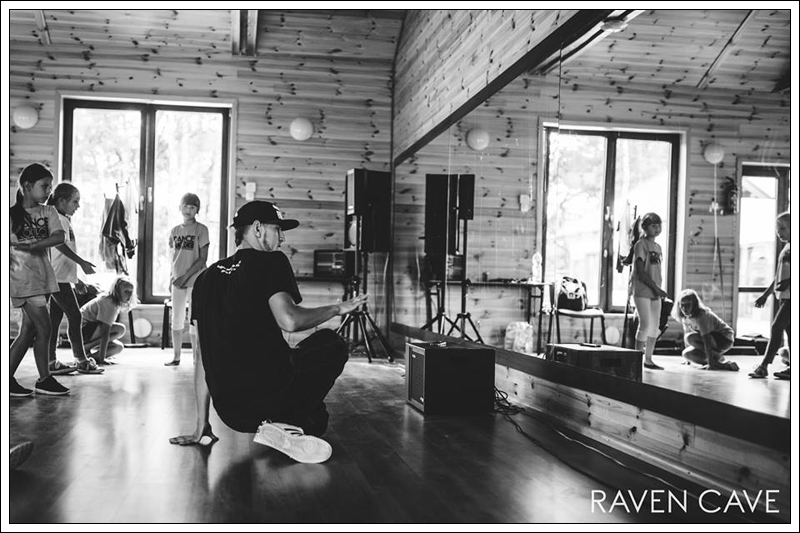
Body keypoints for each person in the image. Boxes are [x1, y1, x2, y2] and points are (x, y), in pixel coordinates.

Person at [170, 200, 368, 464]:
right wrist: (337, 308)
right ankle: (283, 423)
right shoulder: (271, 260)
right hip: (268, 394)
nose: (282, 238)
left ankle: (278, 424)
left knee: (313, 408)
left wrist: (201, 424)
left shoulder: (205, 279)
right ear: (258, 228)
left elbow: (200, 357)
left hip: (231, 413)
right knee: (331, 344)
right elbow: (290, 321)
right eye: (278, 229)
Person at [9, 163, 71, 397]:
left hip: (43, 278)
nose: (48, 191)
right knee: (44, 328)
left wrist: (33, 245)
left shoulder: (49, 212)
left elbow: (59, 236)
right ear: (27, 186)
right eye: (44, 186)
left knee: (28, 330)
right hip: (22, 281)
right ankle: (44, 379)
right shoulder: (11, 215)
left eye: (50, 187)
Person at [46, 182, 104, 375]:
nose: (78, 205)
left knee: (54, 320)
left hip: (60, 277)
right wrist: (82, 263)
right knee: (75, 316)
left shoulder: (63, 218)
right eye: (75, 201)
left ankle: (51, 362)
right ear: (62, 201)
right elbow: (59, 246)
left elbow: (61, 256)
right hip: (57, 279)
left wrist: (76, 279)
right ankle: (81, 360)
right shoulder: (58, 219)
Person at [165, 192, 210, 366]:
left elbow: (202, 259)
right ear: (180, 207)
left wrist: (185, 277)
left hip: (196, 280)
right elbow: (173, 258)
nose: (188, 210)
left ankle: (196, 360)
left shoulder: (201, 230)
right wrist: (172, 278)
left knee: (194, 319)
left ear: (197, 210)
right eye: (185, 206)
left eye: (192, 207)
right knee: (176, 319)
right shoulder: (174, 231)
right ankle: (176, 357)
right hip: (177, 281)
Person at [750, 211, 791, 380]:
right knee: (789, 332)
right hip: (784, 296)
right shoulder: (787, 248)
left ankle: (764, 366)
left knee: (776, 327)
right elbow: (778, 277)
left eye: (783, 228)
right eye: (777, 229)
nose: (779, 232)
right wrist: (766, 294)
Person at [631, 212, 669, 370]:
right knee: (645, 325)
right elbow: (640, 272)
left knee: (655, 326)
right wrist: (656, 288)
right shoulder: (641, 245)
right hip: (643, 290)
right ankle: (635, 361)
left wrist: (658, 288)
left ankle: (648, 359)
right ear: (645, 228)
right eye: (653, 226)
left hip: (655, 291)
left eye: (659, 225)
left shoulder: (658, 247)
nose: (657, 228)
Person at [674, 289, 739, 371]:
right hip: (712, 339)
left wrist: (710, 362)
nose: (684, 308)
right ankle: (723, 364)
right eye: (682, 305)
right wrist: (688, 360)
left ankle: (715, 357)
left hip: (724, 338)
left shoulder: (701, 316)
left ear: (694, 305)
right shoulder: (685, 318)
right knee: (686, 354)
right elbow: (686, 334)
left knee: (690, 338)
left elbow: (706, 339)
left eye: (688, 305)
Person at [80, 276, 135, 365]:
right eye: (126, 291)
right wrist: (102, 358)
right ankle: (86, 348)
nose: (129, 295)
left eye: (130, 292)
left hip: (89, 330)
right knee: (120, 329)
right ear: (117, 291)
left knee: (118, 347)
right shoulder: (108, 302)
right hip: (81, 330)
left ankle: (88, 358)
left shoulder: (113, 302)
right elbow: (105, 333)